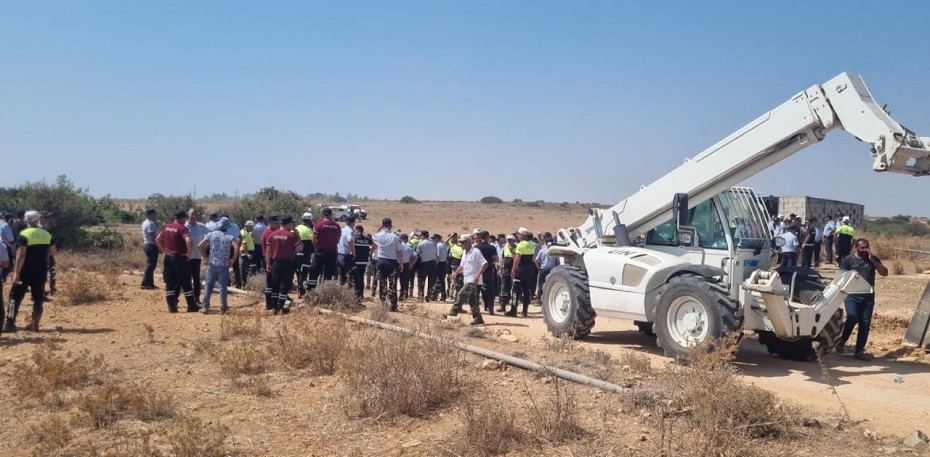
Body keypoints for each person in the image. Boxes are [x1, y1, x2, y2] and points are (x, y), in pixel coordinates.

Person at [3, 211, 57, 332]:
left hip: (24, 273)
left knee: (14, 297)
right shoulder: (46, 234)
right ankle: (35, 324)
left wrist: (16, 272)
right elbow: (53, 252)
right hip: (40, 272)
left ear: (26, 221)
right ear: (38, 219)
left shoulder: (24, 235)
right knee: (38, 297)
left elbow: (21, 255)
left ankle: (9, 323)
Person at [837, 238, 888, 361]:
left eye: (867, 247)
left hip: (868, 296)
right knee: (853, 317)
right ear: (856, 248)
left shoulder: (873, 259)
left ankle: (859, 351)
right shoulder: (849, 260)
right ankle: (842, 341)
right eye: (862, 248)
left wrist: (873, 260)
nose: (865, 250)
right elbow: (841, 276)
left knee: (865, 323)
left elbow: (884, 273)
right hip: (852, 295)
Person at [156, 211, 199, 313]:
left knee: (170, 281)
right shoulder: (182, 228)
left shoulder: (167, 227)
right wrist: (189, 254)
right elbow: (188, 240)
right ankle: (191, 305)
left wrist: (164, 250)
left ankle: (172, 306)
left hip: (168, 257)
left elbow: (158, 239)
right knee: (186, 280)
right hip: (179, 257)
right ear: (183, 218)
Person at [198, 218, 239, 314]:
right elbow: (236, 247)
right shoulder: (229, 237)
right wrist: (232, 259)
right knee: (222, 287)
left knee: (208, 285)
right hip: (224, 264)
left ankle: (205, 307)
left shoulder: (211, 234)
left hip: (212, 264)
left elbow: (199, 246)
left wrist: (206, 258)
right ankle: (223, 307)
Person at [446, 234, 487, 326]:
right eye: (460, 242)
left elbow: (485, 263)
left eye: (462, 242)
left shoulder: (475, 251)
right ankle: (478, 318)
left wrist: (477, 275)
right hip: (467, 278)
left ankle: (452, 314)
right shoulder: (465, 252)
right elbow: (462, 265)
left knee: (461, 294)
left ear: (468, 242)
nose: (460, 244)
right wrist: (456, 272)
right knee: (472, 300)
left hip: (473, 279)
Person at [265, 216, 302, 314]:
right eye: (291, 224)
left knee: (275, 284)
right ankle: (280, 308)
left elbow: (268, 251)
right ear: (288, 224)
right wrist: (298, 236)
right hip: (288, 263)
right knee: (284, 286)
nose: (292, 226)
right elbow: (300, 248)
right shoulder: (292, 235)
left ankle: (274, 307)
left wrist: (268, 263)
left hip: (276, 262)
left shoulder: (272, 235)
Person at [373, 218, 404, 311]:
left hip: (381, 261)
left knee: (382, 283)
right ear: (391, 225)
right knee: (393, 284)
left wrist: (380, 227)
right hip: (392, 262)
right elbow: (399, 251)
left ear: (382, 225)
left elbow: (373, 235)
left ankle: (382, 304)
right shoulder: (395, 237)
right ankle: (393, 306)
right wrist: (401, 263)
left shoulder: (377, 236)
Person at [308, 207, 341, 291]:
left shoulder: (319, 225)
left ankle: (311, 291)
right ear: (331, 214)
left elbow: (313, 240)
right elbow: (338, 240)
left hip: (320, 252)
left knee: (314, 272)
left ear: (323, 214)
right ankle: (326, 292)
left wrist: (317, 247)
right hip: (332, 252)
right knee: (328, 274)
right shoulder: (336, 226)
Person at [507, 228, 537, 317]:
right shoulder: (532, 244)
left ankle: (513, 310)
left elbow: (517, 258)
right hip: (529, 269)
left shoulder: (521, 245)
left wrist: (513, 269)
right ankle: (525, 311)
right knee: (526, 290)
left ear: (523, 235)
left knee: (515, 290)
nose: (518, 236)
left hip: (520, 269)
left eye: (519, 234)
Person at [185, 209, 208, 304]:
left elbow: (210, 234)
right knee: (185, 278)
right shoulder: (184, 226)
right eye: (192, 214)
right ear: (187, 215)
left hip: (197, 256)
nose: (194, 216)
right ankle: (188, 300)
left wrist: (205, 244)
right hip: (185, 257)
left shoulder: (201, 226)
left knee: (196, 279)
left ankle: (196, 299)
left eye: (195, 214)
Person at [475, 231, 499, 314]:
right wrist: (491, 262)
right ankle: (491, 308)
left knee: (477, 290)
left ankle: (476, 309)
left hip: (478, 271)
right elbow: (496, 259)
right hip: (488, 270)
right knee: (490, 290)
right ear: (487, 237)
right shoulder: (492, 247)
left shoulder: (476, 248)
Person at [261, 216, 281, 310]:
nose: (278, 225)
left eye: (279, 223)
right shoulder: (269, 233)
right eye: (276, 223)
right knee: (271, 282)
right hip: (270, 259)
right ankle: (270, 303)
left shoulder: (270, 232)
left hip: (270, 258)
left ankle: (271, 303)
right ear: (270, 223)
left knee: (273, 281)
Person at [295, 213, 315, 297]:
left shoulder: (296, 228)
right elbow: (313, 241)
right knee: (304, 273)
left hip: (295, 254)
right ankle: (301, 290)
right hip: (305, 255)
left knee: (298, 272)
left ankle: (299, 289)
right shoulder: (308, 230)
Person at [415, 230, 438, 301]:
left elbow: (417, 255)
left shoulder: (421, 244)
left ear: (422, 236)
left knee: (421, 280)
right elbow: (436, 253)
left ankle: (421, 297)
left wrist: (412, 263)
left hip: (424, 263)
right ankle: (429, 296)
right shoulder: (433, 243)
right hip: (433, 263)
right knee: (431, 281)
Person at [350, 225, 372, 298]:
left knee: (355, 278)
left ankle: (355, 295)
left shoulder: (355, 238)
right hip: (364, 262)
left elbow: (350, 245)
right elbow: (375, 246)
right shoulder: (367, 239)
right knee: (361, 278)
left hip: (356, 261)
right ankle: (361, 295)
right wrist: (370, 252)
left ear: (357, 230)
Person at [141, 209, 160, 290]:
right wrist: (159, 246)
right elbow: (153, 236)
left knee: (152, 265)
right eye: (154, 215)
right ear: (150, 215)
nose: (155, 216)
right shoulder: (149, 224)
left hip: (149, 245)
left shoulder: (147, 223)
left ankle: (150, 283)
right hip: (151, 245)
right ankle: (145, 283)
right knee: (151, 265)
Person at [535, 233, 558, 299]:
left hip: (543, 269)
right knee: (550, 284)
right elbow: (557, 262)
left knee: (541, 284)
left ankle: (539, 298)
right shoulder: (555, 251)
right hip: (552, 269)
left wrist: (539, 268)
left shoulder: (542, 251)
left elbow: (537, 260)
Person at [498, 234, 516, 312]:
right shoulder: (505, 247)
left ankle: (514, 307)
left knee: (515, 288)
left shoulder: (517, 248)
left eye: (511, 240)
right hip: (505, 270)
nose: (509, 242)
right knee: (504, 287)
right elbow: (503, 259)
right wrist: (500, 268)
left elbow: (516, 259)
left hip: (514, 270)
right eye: (508, 240)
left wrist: (512, 251)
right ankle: (503, 305)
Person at [337, 216, 357, 285]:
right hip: (346, 256)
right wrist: (353, 253)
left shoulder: (342, 230)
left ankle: (342, 292)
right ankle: (351, 293)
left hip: (339, 255)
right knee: (353, 275)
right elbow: (350, 240)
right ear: (353, 223)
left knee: (342, 275)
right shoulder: (350, 231)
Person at [398, 233, 417, 301]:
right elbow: (415, 256)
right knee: (405, 281)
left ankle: (395, 296)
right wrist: (411, 264)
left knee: (395, 280)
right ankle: (403, 296)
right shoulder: (410, 246)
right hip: (406, 265)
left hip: (397, 264)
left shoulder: (399, 245)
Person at [433, 233, 449, 301]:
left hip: (439, 264)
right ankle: (443, 295)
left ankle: (435, 295)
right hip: (444, 263)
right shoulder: (444, 245)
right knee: (442, 281)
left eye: (434, 238)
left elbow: (438, 256)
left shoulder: (438, 245)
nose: (433, 240)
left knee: (437, 280)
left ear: (437, 239)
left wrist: (435, 264)